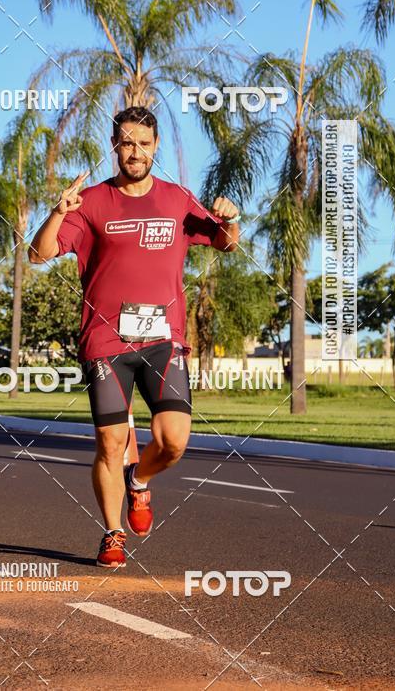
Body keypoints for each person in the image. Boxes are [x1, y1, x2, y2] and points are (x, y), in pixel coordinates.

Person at [29, 107, 239, 567]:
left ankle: (138, 480)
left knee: (173, 441)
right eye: (127, 143)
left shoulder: (176, 199)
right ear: (115, 146)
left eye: (144, 143)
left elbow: (225, 242)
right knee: (109, 442)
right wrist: (57, 213)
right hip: (106, 343)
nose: (135, 152)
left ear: (155, 146)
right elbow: (38, 254)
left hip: (163, 340)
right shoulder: (91, 202)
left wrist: (229, 219)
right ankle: (112, 532)